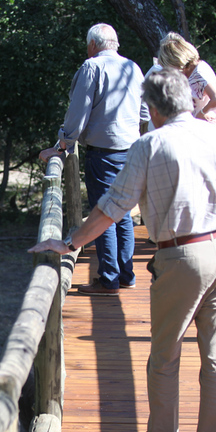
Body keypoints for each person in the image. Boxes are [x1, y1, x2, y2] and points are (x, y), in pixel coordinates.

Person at [29, 69, 216, 432]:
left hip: (184, 255)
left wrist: (70, 244)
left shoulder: (152, 144)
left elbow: (111, 208)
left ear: (152, 108)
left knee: (166, 351)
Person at [39, 23, 143, 296]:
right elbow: (144, 111)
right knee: (123, 214)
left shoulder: (92, 67)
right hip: (132, 150)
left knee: (103, 212)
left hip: (104, 153)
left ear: (92, 45)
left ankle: (109, 278)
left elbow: (78, 112)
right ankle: (126, 274)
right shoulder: (134, 68)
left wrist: (63, 144)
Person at [156, 32, 216, 125]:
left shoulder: (199, 72)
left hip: (208, 130)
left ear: (176, 60)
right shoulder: (187, 73)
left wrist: (201, 114)